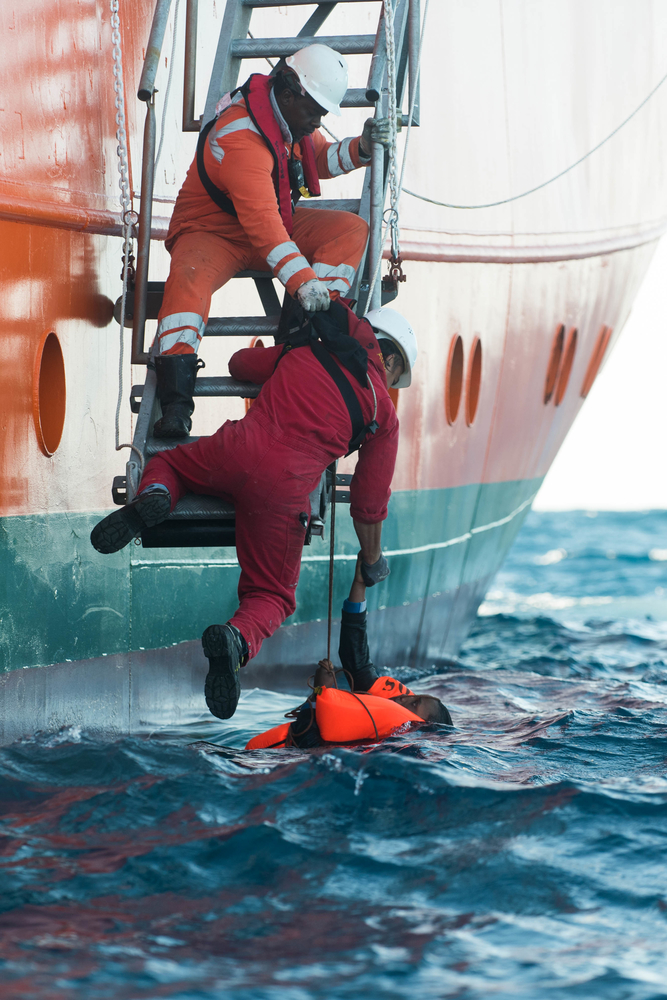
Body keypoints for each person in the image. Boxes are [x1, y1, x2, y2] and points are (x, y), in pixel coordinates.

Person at [91, 299, 418, 723]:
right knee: (272, 595)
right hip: (282, 494)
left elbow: (240, 363)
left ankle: (155, 496)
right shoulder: (382, 413)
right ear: (388, 359)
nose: (391, 384)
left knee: (170, 463)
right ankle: (235, 638)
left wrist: (283, 355)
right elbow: (369, 504)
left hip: (236, 449)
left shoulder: (306, 349)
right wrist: (372, 560)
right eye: (396, 375)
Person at [152, 41, 393, 439]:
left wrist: (362, 149)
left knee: (350, 230)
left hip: (267, 224)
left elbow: (317, 160)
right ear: (289, 92)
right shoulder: (243, 134)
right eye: (314, 113)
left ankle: (308, 343)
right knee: (187, 282)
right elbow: (265, 226)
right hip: (211, 232)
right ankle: (176, 403)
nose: (316, 123)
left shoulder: (284, 118)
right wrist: (302, 282)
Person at [246, 556, 452, 750]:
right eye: (413, 698)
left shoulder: (385, 746)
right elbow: (358, 662)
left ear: (419, 727)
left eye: (413, 704)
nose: (402, 699)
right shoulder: (388, 708)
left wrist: (320, 691)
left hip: (268, 766)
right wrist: (359, 585)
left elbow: (309, 747)